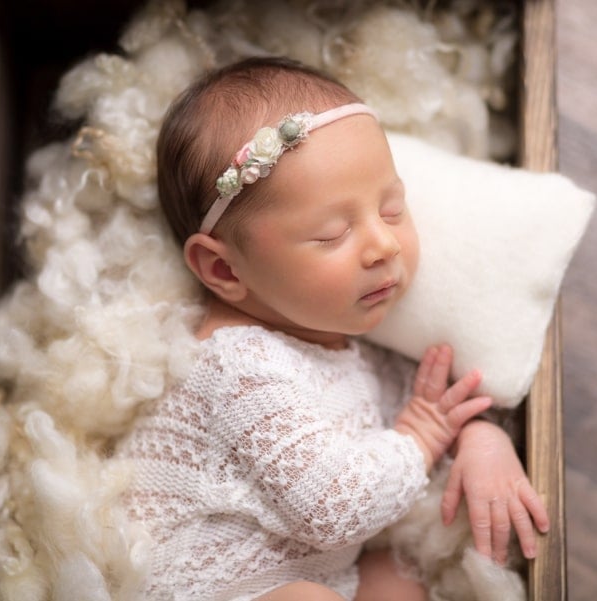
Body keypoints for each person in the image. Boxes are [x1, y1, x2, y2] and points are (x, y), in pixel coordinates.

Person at [117, 56, 548, 601]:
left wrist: (480, 438)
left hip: (314, 578)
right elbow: (336, 507)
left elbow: (435, 406)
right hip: (209, 590)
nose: (384, 245)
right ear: (224, 270)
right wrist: (421, 436)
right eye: (331, 234)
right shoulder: (236, 366)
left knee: (400, 576)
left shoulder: (345, 340)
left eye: (391, 210)